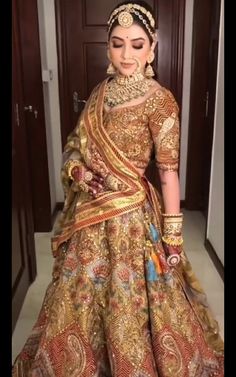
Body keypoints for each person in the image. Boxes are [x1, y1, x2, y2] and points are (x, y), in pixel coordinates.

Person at [12, 1, 224, 376]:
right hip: (91, 216)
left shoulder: (161, 101)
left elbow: (168, 172)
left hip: (132, 220)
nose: (127, 54)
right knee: (78, 297)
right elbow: (77, 147)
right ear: (107, 47)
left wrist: (172, 237)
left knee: (132, 302)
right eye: (118, 43)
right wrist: (78, 173)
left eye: (137, 44)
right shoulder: (99, 93)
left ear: (152, 48)